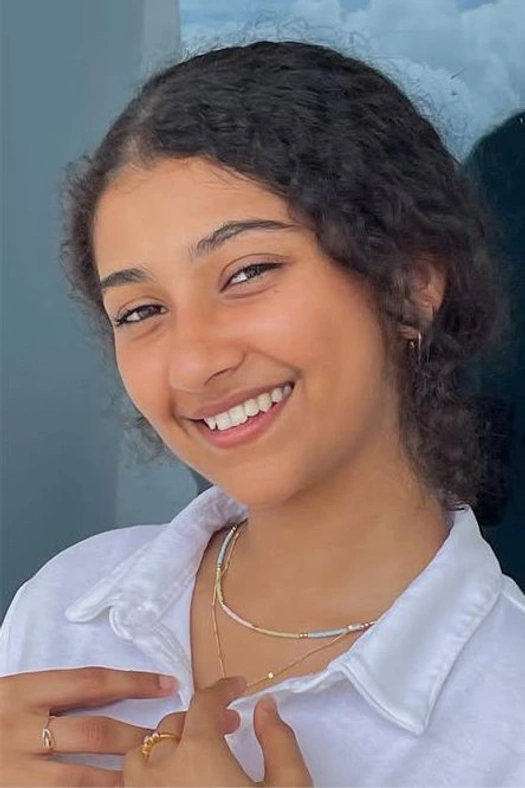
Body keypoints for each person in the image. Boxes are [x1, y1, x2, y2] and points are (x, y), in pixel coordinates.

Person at [1, 39, 524, 787]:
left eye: (247, 272)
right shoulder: (63, 608)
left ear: (408, 285)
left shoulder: (507, 714)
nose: (193, 363)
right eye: (141, 310)